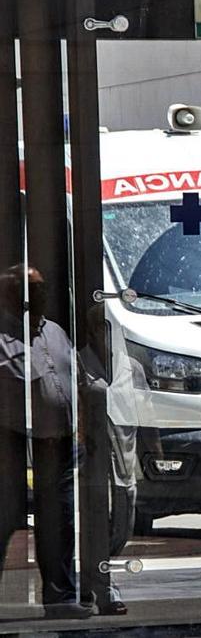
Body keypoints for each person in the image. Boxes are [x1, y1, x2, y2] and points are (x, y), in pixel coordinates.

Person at [0, 265, 91, 619]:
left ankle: (60, 597)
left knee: (60, 523)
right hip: (19, 448)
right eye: (32, 289)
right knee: (6, 520)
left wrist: (81, 427)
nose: (41, 294)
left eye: (42, 287)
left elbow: (76, 380)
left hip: (62, 446)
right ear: (12, 293)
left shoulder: (53, 330)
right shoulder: (3, 337)